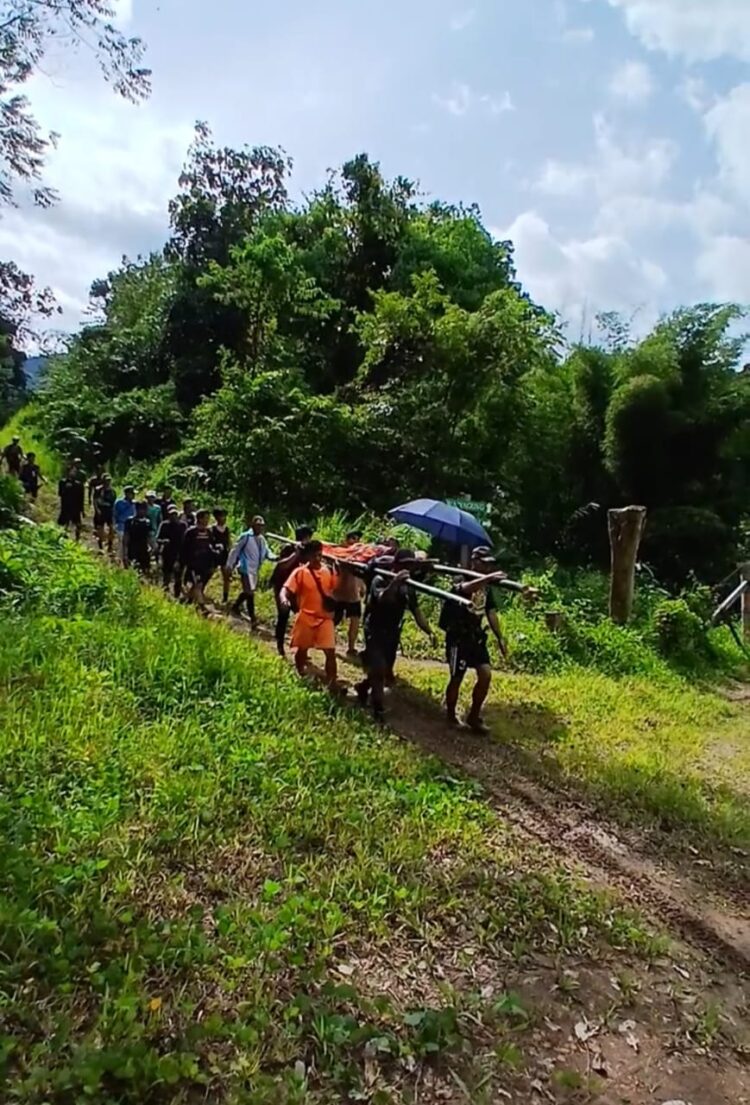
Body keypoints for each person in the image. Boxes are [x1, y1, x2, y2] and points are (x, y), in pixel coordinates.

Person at [356, 550, 436, 723]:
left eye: (410, 565)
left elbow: (417, 612)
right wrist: (395, 582)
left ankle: (362, 688)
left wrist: (429, 632)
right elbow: (382, 597)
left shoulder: (408, 587)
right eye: (404, 564)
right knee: (378, 669)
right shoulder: (380, 579)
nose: (407, 568)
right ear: (396, 565)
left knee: (384, 669)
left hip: (392, 632)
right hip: (375, 629)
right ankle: (378, 710)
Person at [440, 547, 512, 734]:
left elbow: (491, 612)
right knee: (457, 678)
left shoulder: (486, 587)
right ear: (474, 562)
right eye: (484, 563)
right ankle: (450, 715)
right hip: (458, 637)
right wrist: (488, 578)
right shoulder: (461, 578)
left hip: (476, 636)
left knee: (486, 674)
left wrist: (500, 637)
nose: (487, 567)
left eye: (489, 564)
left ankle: (474, 715)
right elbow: (464, 589)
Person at [280, 540, 338, 686]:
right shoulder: (300, 572)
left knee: (330, 652)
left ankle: (331, 683)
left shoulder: (328, 571)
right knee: (302, 649)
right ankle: (301, 673)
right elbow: (285, 589)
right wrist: (283, 599)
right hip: (306, 616)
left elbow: (336, 590)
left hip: (325, 618)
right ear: (308, 556)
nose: (317, 559)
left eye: (319, 555)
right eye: (314, 556)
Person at [269, 526, 314, 656]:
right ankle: (280, 645)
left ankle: (302, 649)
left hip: (298, 589)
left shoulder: (307, 551)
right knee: (283, 614)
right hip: (282, 586)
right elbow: (282, 565)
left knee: (303, 617)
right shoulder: (289, 548)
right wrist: (296, 554)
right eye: (308, 537)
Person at [227, 514, 276, 628]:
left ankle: (235, 606)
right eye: (257, 525)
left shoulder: (262, 539)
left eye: (261, 526)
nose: (259, 528)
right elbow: (235, 550)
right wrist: (230, 564)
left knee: (248, 591)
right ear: (252, 525)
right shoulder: (246, 536)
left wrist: (275, 557)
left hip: (254, 570)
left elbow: (267, 552)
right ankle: (253, 618)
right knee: (250, 593)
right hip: (245, 567)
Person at [334, 531, 366, 656]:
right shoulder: (340, 554)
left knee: (355, 622)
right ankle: (328, 642)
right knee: (334, 621)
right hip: (339, 594)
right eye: (353, 538)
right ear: (346, 540)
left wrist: (363, 587)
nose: (356, 541)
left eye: (358, 539)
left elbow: (362, 574)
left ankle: (351, 648)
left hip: (354, 596)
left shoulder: (361, 556)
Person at [181, 508, 219, 611]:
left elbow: (211, 546)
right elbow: (184, 548)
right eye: (206, 518)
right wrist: (182, 563)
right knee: (198, 584)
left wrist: (213, 561)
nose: (207, 520)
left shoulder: (209, 532)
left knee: (198, 585)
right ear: (199, 519)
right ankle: (202, 607)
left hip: (205, 564)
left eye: (208, 518)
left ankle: (185, 601)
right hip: (193, 563)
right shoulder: (191, 532)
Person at [157, 505, 187, 597]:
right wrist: (163, 541)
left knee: (178, 576)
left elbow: (186, 539)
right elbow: (158, 538)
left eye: (175, 514)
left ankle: (177, 594)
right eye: (171, 515)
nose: (173, 516)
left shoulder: (183, 525)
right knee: (166, 574)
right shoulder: (164, 525)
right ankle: (165, 593)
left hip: (180, 553)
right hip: (167, 552)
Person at [122, 500, 153, 575]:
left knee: (145, 571)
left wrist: (152, 547)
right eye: (140, 509)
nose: (142, 511)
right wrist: (125, 554)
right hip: (132, 549)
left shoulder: (148, 522)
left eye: (144, 509)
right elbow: (126, 537)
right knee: (133, 570)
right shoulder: (130, 521)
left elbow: (149, 537)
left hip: (144, 550)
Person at [57, 462, 85, 540]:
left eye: (74, 472)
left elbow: (81, 497)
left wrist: (82, 510)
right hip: (66, 506)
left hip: (75, 507)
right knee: (63, 524)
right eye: (71, 471)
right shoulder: (62, 482)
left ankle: (77, 540)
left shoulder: (79, 485)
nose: (73, 473)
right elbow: (60, 494)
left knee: (78, 524)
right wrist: (66, 488)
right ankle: (63, 538)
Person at [210, 507, 232, 604]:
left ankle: (225, 597)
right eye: (222, 516)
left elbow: (229, 542)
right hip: (214, 554)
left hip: (224, 555)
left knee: (226, 577)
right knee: (209, 572)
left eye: (224, 516)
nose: (224, 518)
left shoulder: (227, 529)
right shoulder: (212, 529)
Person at [92, 474, 116, 553]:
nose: (108, 482)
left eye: (109, 481)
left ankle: (110, 545)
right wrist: (97, 510)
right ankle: (100, 546)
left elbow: (113, 502)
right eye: (106, 481)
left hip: (109, 511)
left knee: (111, 529)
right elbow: (95, 501)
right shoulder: (98, 490)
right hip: (101, 510)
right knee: (100, 529)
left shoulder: (112, 491)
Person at [113, 485, 137, 563]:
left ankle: (128, 559)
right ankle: (121, 560)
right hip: (121, 526)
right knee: (122, 544)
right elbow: (115, 515)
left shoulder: (135, 504)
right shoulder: (119, 503)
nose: (133, 495)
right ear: (127, 494)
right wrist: (114, 526)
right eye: (132, 493)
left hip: (132, 527)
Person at [145, 492, 162, 560]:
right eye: (149, 497)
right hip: (147, 529)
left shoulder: (157, 508)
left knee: (155, 547)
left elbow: (159, 519)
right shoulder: (145, 507)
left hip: (155, 529)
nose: (151, 499)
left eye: (152, 497)